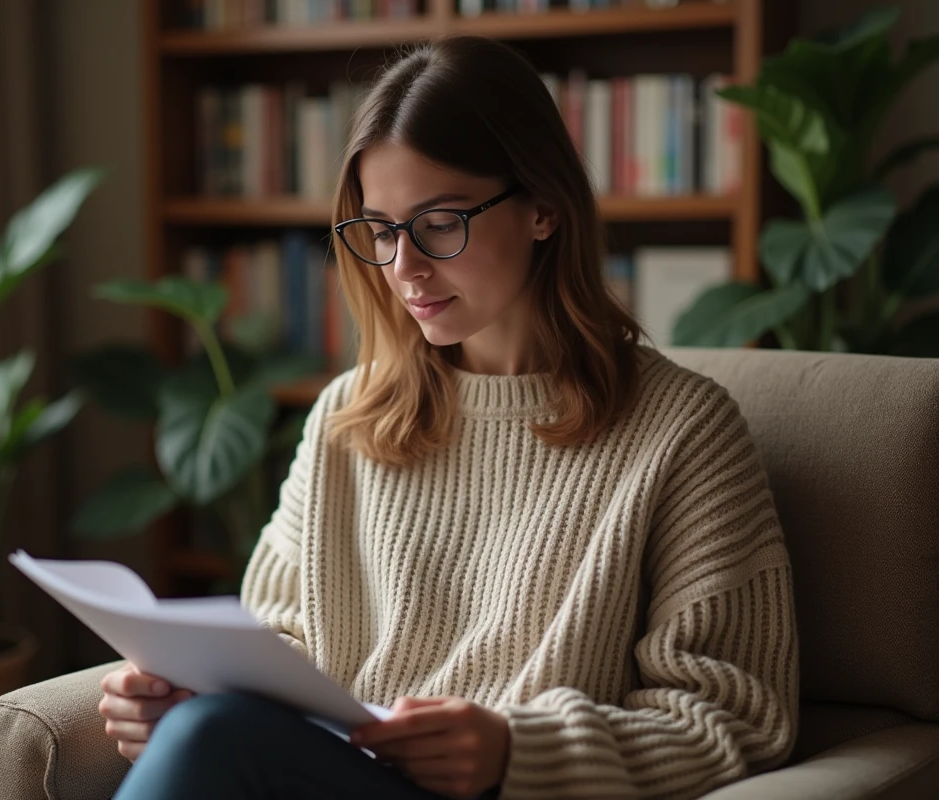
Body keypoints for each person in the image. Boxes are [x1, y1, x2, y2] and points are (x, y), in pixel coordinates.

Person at [99, 34, 798, 800]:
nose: (404, 268)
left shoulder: (685, 431)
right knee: (207, 727)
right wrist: (178, 697)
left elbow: (735, 717)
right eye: (380, 230)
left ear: (543, 209)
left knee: (213, 739)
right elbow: (277, 648)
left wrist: (515, 751)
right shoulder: (348, 415)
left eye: (439, 223)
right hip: (338, 776)